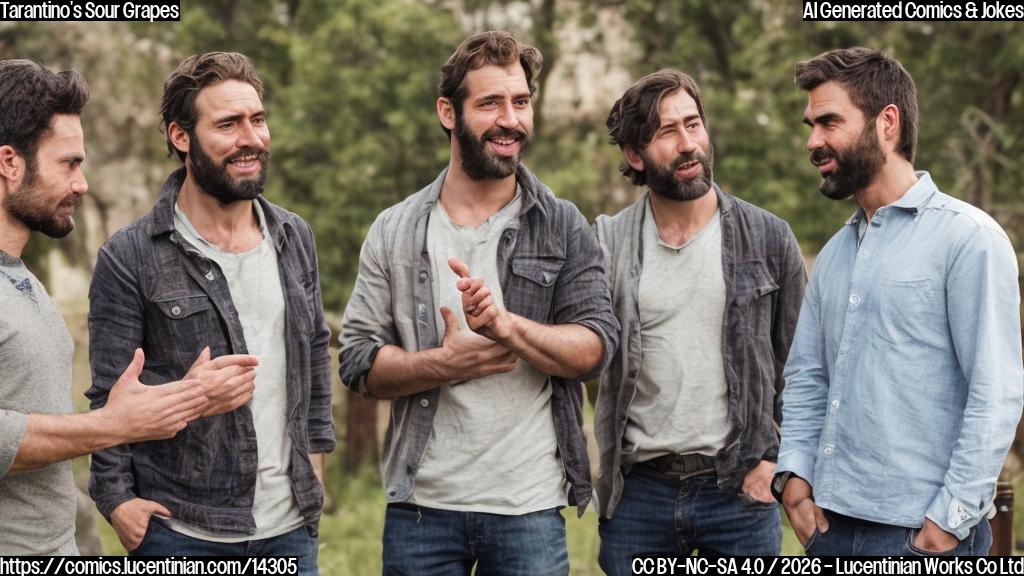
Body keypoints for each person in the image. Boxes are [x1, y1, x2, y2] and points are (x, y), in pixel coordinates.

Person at [339, 31, 618, 576]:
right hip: (421, 508)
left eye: (520, 102)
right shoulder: (395, 230)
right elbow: (357, 361)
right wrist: (444, 364)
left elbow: (595, 347)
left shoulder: (563, 224)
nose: (510, 119)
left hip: (528, 509)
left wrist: (506, 327)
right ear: (449, 112)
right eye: (490, 103)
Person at [86, 52, 333, 570]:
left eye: (258, 120)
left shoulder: (294, 237)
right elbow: (109, 393)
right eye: (228, 124)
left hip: (290, 532)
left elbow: (312, 355)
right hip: (181, 533)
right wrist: (116, 500)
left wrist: (315, 467)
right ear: (181, 137)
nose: (251, 138)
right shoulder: (130, 255)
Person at [776, 47, 1023, 556]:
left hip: (922, 538)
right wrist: (794, 477)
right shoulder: (836, 254)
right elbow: (807, 376)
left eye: (828, 122)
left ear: (887, 123)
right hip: (830, 529)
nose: (813, 141)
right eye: (811, 125)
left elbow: (995, 392)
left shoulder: (968, 239)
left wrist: (947, 523)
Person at [0, 59, 251, 555]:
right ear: (10, 163)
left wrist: (184, 398)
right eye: (69, 163)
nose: (82, 184)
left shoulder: (23, 281)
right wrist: (112, 426)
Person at [593, 70, 805, 566]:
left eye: (693, 124)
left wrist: (775, 467)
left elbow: (803, 368)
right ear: (634, 155)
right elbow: (582, 352)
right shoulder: (608, 243)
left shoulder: (770, 238)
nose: (688, 144)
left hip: (738, 491)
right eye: (667, 132)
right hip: (640, 494)